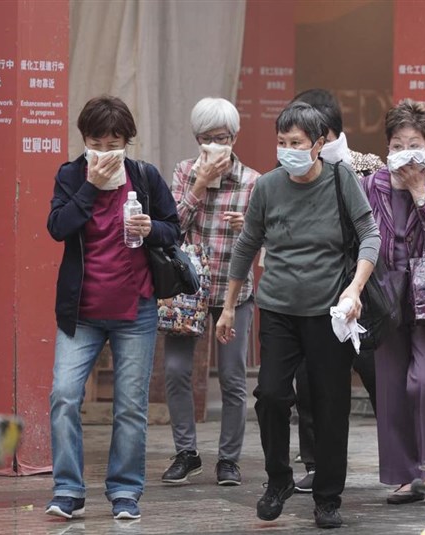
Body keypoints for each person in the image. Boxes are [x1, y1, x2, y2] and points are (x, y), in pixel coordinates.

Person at [216, 101, 380, 529]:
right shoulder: (268, 187)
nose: (287, 150)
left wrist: (355, 287)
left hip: (329, 312)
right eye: (282, 142)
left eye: (297, 143)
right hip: (277, 310)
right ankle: (278, 479)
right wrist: (229, 306)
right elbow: (246, 245)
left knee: (330, 405)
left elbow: (369, 234)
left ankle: (327, 496)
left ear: (320, 144)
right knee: (270, 395)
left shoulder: (341, 180)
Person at [45, 96, 180, 520]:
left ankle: (125, 492)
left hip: (135, 309)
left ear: (128, 141)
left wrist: (151, 228)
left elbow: (173, 228)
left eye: (114, 141)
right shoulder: (70, 175)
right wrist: (88, 187)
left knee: (130, 405)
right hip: (80, 312)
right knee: (64, 396)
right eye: (96, 142)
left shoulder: (144, 176)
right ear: (84, 140)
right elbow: (57, 227)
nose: (105, 150)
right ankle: (68, 490)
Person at [361, 100, 425, 504]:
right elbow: (365, 237)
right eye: (398, 143)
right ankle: (405, 475)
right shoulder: (372, 185)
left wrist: (419, 191)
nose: (406, 151)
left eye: (414, 143)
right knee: (392, 386)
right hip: (386, 293)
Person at [288, 88, 384, 494]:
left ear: (324, 133)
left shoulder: (368, 167)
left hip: (364, 290)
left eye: (306, 134)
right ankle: (314, 463)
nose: (295, 143)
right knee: (309, 382)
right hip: (313, 291)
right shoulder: (292, 173)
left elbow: (378, 230)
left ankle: (402, 460)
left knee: (380, 376)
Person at [161, 97, 259, 487]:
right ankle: (186, 451)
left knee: (234, 377)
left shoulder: (253, 181)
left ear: (235, 138)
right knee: (175, 371)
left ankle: (229, 460)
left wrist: (247, 227)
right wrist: (200, 184)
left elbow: (266, 240)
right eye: (207, 139)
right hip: (189, 291)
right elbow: (171, 228)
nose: (215, 146)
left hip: (234, 294)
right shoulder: (184, 172)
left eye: (222, 138)